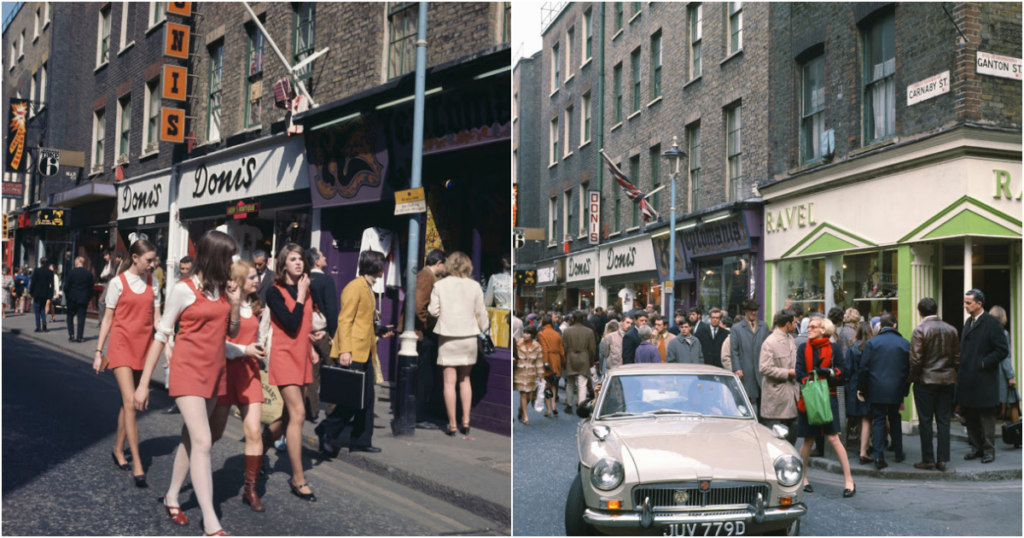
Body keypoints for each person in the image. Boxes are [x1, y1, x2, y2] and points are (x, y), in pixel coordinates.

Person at [133, 230, 242, 535]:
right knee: (204, 442)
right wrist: (143, 384)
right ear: (213, 256)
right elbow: (161, 334)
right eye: (227, 257)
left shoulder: (222, 289)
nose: (231, 263)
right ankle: (210, 521)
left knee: (191, 439)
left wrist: (234, 304)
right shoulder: (183, 289)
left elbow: (230, 332)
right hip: (187, 371)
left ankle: (171, 496)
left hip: (214, 372)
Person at [93, 239, 160, 488]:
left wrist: (170, 345)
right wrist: (99, 352)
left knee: (127, 402)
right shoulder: (117, 283)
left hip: (143, 348)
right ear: (135, 257)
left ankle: (118, 449)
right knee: (132, 402)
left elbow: (157, 320)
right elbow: (108, 319)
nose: (152, 265)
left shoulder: (155, 283)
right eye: (148, 260)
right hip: (120, 347)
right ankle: (139, 463)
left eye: (153, 260)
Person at [318, 251, 393, 455]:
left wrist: (379, 330)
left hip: (366, 351)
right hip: (353, 352)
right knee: (352, 399)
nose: (383, 270)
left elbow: (363, 321)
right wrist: (345, 351)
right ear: (375, 266)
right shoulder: (355, 287)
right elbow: (345, 320)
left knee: (366, 399)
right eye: (382, 265)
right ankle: (325, 429)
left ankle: (361, 440)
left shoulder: (368, 287)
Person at [209, 260, 269, 511]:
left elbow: (256, 337)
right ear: (239, 280)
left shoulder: (255, 306)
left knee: (254, 432)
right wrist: (245, 349)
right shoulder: (223, 306)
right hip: (224, 374)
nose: (258, 281)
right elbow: (217, 344)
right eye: (253, 277)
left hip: (249, 373)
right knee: (214, 434)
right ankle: (191, 470)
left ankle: (250, 490)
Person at [262, 243, 321, 501]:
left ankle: (259, 448)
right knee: (298, 413)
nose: (298, 263)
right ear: (283, 263)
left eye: (301, 259)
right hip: (284, 357)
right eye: (293, 259)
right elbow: (290, 322)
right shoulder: (274, 292)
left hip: (304, 356)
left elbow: (305, 324)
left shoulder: (308, 291)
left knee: (288, 416)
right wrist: (300, 293)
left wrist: (315, 338)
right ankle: (298, 479)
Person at [427, 251, 489, 436]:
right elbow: (481, 314)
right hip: (469, 337)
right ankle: (466, 421)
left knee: (449, 382)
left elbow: (433, 311)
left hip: (447, 337)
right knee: (465, 380)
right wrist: (485, 330)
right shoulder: (475, 286)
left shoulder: (440, 285)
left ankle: (452, 424)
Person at [796, 317, 855, 497]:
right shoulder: (802, 348)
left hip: (828, 397)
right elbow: (799, 372)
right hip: (809, 399)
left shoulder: (834, 348)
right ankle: (803, 479)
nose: (809, 329)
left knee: (834, 439)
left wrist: (828, 372)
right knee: (808, 440)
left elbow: (844, 372)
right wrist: (811, 382)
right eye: (810, 326)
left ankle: (849, 481)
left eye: (814, 327)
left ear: (824, 330)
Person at [956, 290, 1009, 463]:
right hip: (968, 379)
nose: (964, 306)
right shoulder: (968, 322)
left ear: (979, 304)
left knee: (986, 417)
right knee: (970, 416)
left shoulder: (992, 323)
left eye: (968, 303)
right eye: (964, 302)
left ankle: (989, 451)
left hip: (984, 379)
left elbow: (1002, 350)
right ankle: (976, 448)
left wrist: (984, 363)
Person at [908, 298, 960, 471]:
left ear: (920, 312)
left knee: (925, 420)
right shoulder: (951, 329)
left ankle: (928, 459)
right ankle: (942, 459)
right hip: (947, 380)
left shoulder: (920, 330)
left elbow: (915, 360)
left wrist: (913, 379)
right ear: (936, 309)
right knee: (944, 420)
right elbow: (957, 358)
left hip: (926, 381)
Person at [858, 313, 910, 469]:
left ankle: (879, 457)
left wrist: (862, 389)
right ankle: (899, 452)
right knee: (895, 417)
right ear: (895, 325)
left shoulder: (872, 343)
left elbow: (864, 368)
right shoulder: (905, 343)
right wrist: (905, 389)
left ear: (880, 326)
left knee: (879, 420)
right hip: (897, 388)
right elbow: (909, 369)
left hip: (877, 387)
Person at [306, 247, 339, 423]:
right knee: (332, 369)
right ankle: (332, 410)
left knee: (312, 373)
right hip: (324, 332)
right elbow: (332, 310)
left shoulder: (304, 280)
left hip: (308, 333)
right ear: (317, 261)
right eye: (323, 255)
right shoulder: (326, 280)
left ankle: (311, 411)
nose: (326, 256)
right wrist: (334, 334)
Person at [415, 250, 447, 430]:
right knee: (423, 376)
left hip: (422, 333)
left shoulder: (425, 276)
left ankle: (419, 414)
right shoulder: (427, 277)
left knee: (423, 376)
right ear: (439, 262)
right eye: (445, 265)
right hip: (422, 334)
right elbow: (419, 306)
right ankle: (419, 416)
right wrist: (428, 326)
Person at [759, 309, 799, 445]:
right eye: (794, 322)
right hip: (776, 399)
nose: (796, 325)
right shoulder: (770, 342)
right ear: (788, 324)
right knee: (775, 440)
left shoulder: (791, 338)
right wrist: (787, 373)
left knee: (792, 433)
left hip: (791, 396)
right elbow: (764, 368)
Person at [162, 256, 194, 416]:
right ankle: (177, 403)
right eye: (182, 269)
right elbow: (169, 316)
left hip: (192, 341)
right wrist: (167, 342)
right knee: (176, 373)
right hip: (178, 337)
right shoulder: (179, 288)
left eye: (187, 269)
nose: (184, 272)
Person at [731, 299, 770, 417]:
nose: (753, 313)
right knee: (745, 399)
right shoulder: (737, 328)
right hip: (745, 368)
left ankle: (762, 425)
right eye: (751, 310)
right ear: (745, 312)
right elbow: (734, 350)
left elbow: (768, 348)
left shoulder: (764, 326)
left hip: (761, 369)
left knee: (763, 398)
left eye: (755, 310)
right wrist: (737, 368)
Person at [845, 322, 875, 466]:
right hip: (869, 386)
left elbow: (848, 369)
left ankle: (862, 447)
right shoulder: (873, 346)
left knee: (858, 415)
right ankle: (865, 448)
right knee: (867, 417)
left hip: (854, 385)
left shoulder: (852, 348)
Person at [990, 306, 1020, 426]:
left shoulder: (986, 332)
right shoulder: (1003, 333)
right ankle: (1018, 435)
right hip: (1002, 372)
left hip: (990, 372)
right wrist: (1011, 376)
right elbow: (1005, 357)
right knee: (1013, 402)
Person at [562, 311, 597, 413]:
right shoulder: (589, 331)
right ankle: (580, 406)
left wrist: (564, 361)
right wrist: (591, 361)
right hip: (584, 357)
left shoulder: (567, 331)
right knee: (582, 384)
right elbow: (592, 349)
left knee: (570, 383)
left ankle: (569, 405)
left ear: (572, 319)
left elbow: (564, 347)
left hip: (570, 357)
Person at [514, 325, 544, 425]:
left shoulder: (537, 346)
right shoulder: (517, 343)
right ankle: (526, 417)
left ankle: (521, 409)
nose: (525, 335)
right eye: (524, 333)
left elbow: (539, 362)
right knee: (523, 394)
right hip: (520, 372)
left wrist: (541, 376)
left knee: (529, 396)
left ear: (532, 335)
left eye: (527, 333)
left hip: (531, 372)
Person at [537, 315, 564, 417]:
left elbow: (544, 349)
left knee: (546, 384)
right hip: (556, 360)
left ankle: (548, 409)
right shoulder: (557, 334)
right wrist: (563, 362)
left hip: (547, 360)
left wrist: (545, 363)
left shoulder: (541, 334)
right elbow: (561, 350)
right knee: (553, 384)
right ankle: (553, 405)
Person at [64, 257, 95, 342]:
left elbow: (66, 287)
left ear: (77, 263)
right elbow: (91, 288)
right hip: (83, 299)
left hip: (72, 298)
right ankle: (79, 337)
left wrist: (68, 296)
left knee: (70, 316)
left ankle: (71, 334)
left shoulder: (71, 273)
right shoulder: (88, 274)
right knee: (81, 317)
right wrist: (88, 298)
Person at [29, 258, 55, 332]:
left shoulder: (37, 270)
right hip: (45, 293)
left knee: (37, 309)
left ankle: (38, 327)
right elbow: (52, 285)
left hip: (37, 292)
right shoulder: (50, 272)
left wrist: (31, 291)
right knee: (42, 308)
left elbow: (33, 282)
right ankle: (44, 321)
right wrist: (51, 294)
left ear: (40, 262)